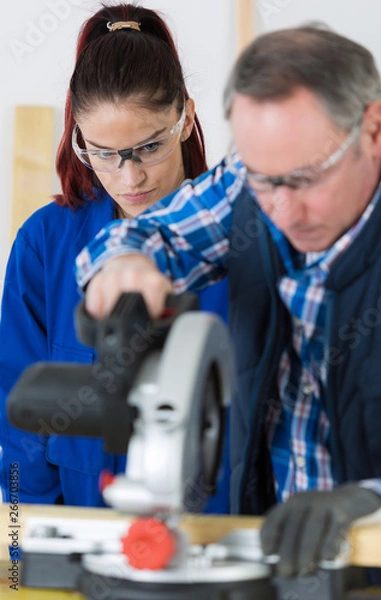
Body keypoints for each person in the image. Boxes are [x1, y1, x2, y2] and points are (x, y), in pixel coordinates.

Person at [75, 24, 381, 579]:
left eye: (304, 180)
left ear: (371, 131)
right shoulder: (257, 180)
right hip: (274, 562)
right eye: (261, 180)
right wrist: (125, 264)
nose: (280, 209)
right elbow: (149, 236)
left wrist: (375, 501)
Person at [0, 2, 230, 511]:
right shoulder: (46, 242)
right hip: (85, 540)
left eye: (149, 148)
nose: (131, 178)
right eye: (103, 152)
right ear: (80, 139)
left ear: (186, 118)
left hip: (214, 542)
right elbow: (20, 424)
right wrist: (27, 546)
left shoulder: (242, 238)